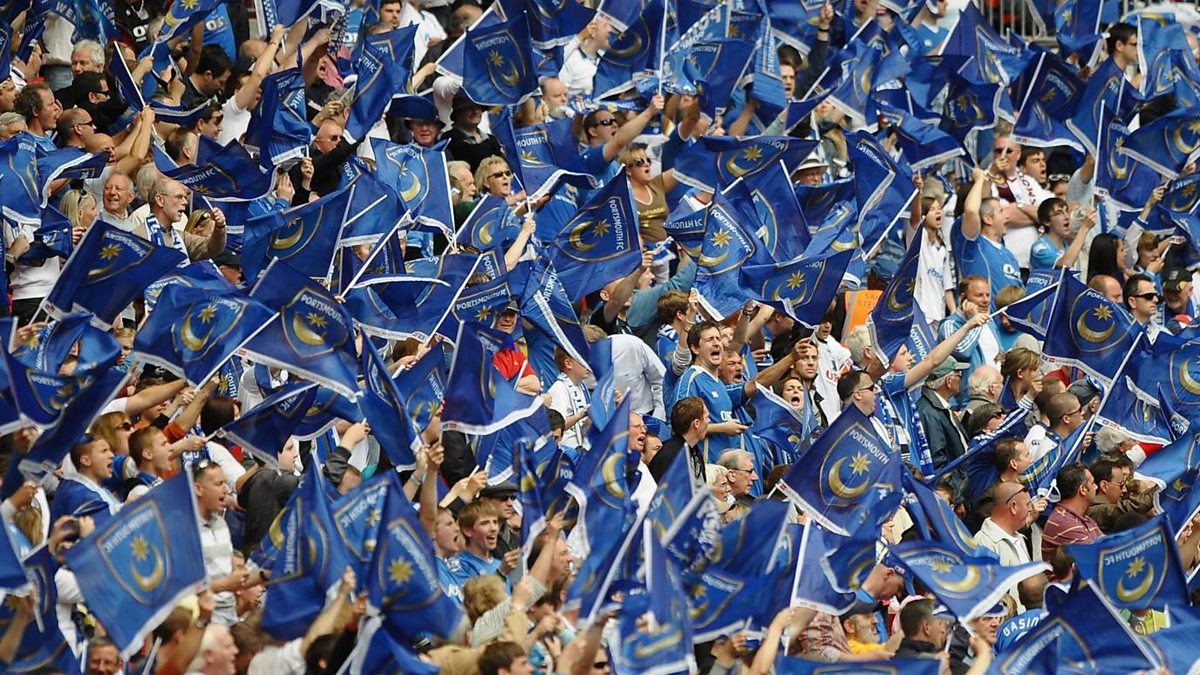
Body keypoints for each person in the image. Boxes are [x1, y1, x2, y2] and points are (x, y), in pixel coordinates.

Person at [1041, 463, 1104, 563]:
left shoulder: (1086, 519)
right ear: (1082, 490)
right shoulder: (1063, 522)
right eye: (1093, 483)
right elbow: (1097, 559)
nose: (1096, 487)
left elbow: (1108, 547)